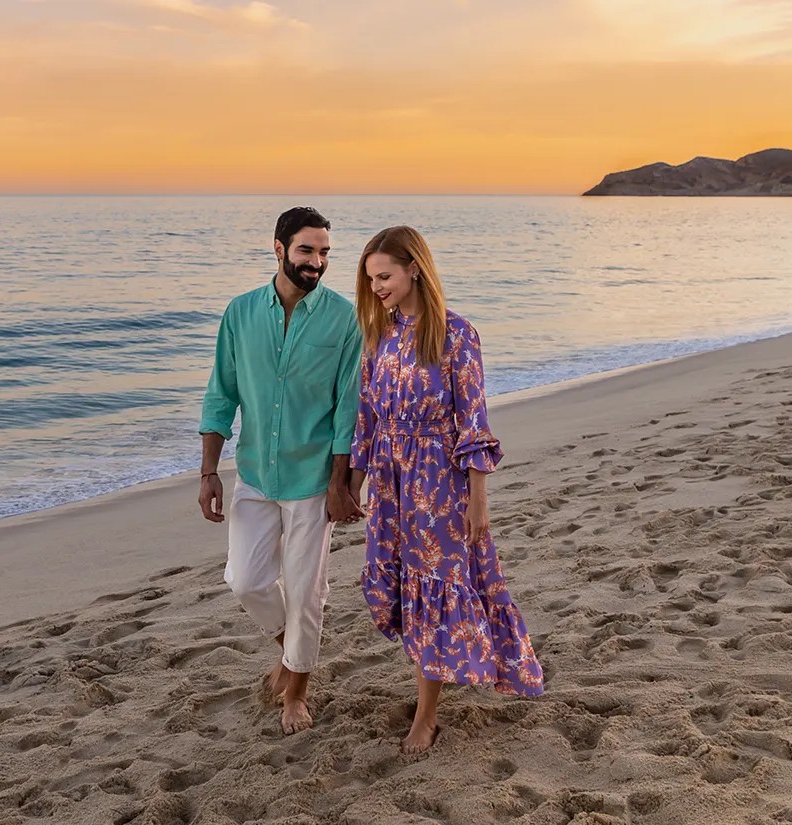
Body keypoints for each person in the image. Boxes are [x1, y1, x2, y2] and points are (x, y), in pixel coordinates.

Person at [349, 225, 545, 755]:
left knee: (436, 587)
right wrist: (355, 482)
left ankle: (427, 715)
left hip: (438, 483)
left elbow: (474, 424)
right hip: (391, 484)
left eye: (384, 276)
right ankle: (433, 688)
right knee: (404, 587)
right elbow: (367, 418)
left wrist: (478, 497)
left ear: (415, 268)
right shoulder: (379, 337)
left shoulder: (457, 336)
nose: (377, 288)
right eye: (370, 280)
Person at [198, 206, 364, 735]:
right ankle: (291, 652)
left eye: (324, 253)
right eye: (306, 251)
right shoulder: (240, 313)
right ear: (279, 249)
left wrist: (342, 484)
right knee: (246, 581)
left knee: (305, 588)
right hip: (253, 474)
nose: (316, 262)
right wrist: (208, 472)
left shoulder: (344, 319)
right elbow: (220, 395)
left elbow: (348, 409)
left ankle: (296, 692)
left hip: (313, 479)